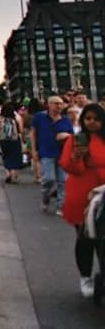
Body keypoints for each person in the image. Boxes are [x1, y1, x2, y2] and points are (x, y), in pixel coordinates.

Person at [58, 103, 105, 298]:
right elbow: (69, 167)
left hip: (103, 191)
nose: (92, 122)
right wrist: (77, 157)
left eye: (96, 119)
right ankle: (85, 276)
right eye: (88, 119)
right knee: (86, 239)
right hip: (82, 194)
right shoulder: (76, 139)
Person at [32, 95, 74, 216]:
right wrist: (34, 150)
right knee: (48, 179)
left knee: (63, 181)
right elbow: (33, 133)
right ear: (49, 105)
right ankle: (46, 197)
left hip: (63, 154)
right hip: (46, 153)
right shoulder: (40, 117)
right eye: (55, 103)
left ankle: (61, 205)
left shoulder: (66, 120)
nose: (59, 106)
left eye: (61, 104)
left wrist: (66, 136)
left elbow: (72, 137)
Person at [0, 101, 25, 183]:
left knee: (6, 156)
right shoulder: (17, 117)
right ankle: (13, 175)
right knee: (14, 157)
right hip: (15, 140)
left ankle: (8, 173)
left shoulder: (0, 118)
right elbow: (21, 130)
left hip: (3, 140)